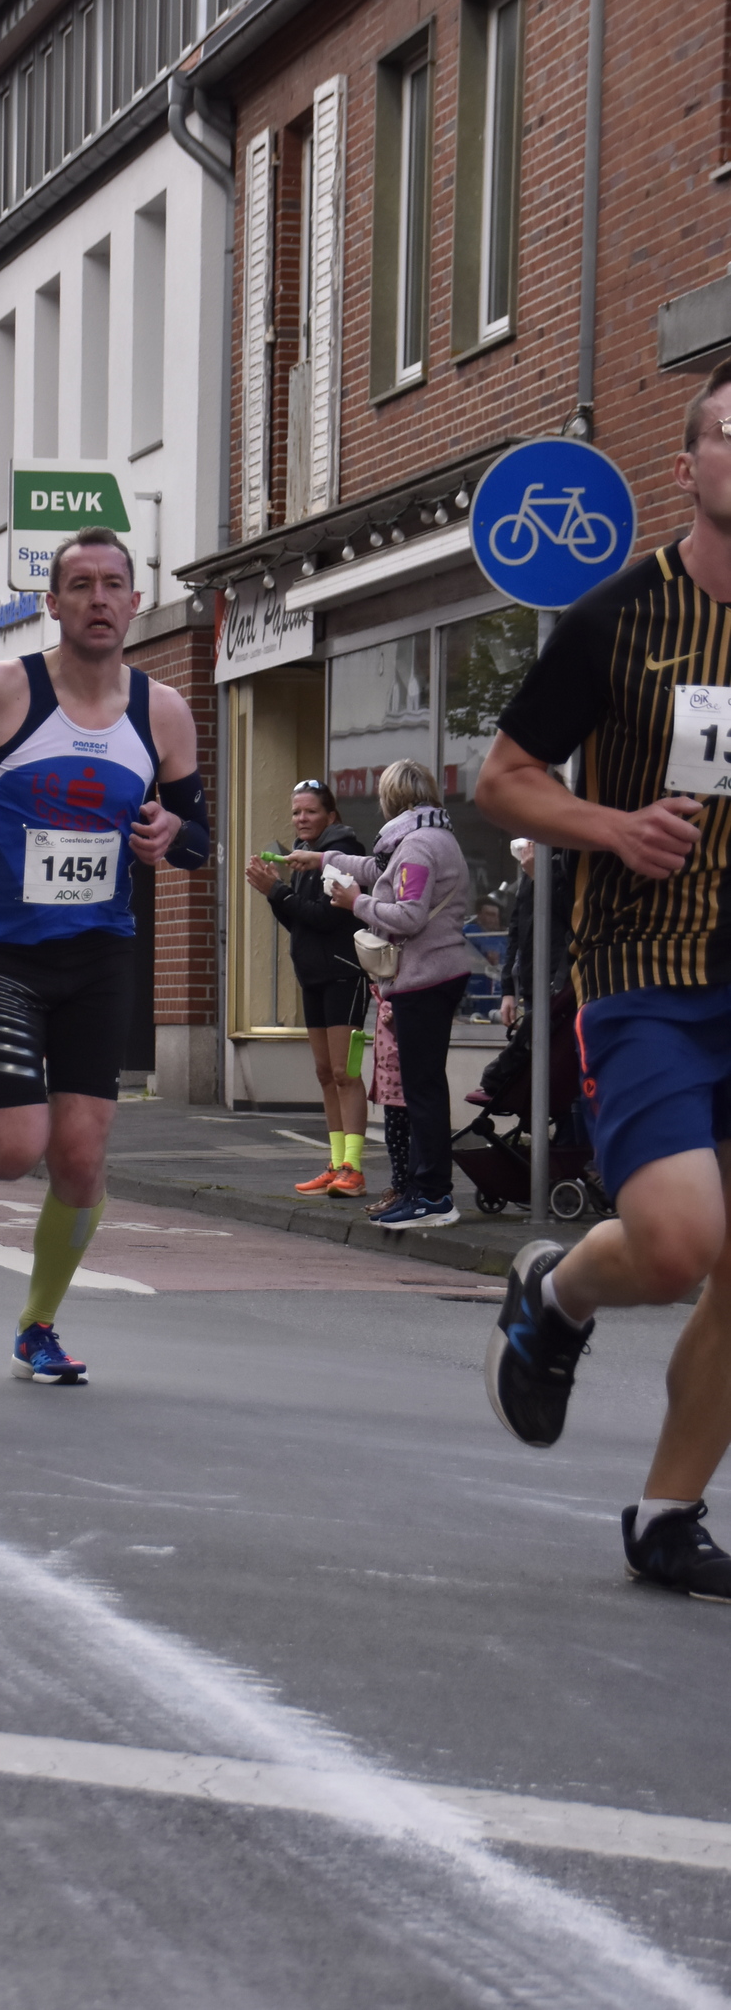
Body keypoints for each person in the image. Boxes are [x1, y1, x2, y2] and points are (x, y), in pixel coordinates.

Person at [474, 355, 731, 1602]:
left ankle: (671, 1514)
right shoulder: (618, 620)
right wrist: (615, 824)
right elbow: (504, 779)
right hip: (647, 971)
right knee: (681, 1244)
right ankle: (557, 1290)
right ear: (687, 468)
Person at [0, 526, 208, 1386]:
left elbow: (197, 841)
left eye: (115, 583)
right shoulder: (5, 690)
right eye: (81, 584)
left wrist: (173, 831)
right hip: (5, 950)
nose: (100, 598)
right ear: (55, 602)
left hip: (100, 955)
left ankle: (38, 1322)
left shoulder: (163, 712)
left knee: (78, 1155)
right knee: (11, 1151)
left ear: (136, 601)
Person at [288, 758, 470, 1229]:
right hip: (431, 975)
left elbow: (407, 915)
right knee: (421, 1087)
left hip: (425, 978)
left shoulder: (418, 847)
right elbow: (376, 867)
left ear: (393, 798)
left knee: (421, 1090)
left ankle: (432, 1196)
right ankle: (420, 1189)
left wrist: (356, 903)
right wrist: (322, 858)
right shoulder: (424, 838)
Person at [246, 781, 370, 1197]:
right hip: (313, 977)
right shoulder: (303, 857)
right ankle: (335, 1164)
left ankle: (353, 1167)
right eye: (297, 812)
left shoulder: (341, 854)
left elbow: (326, 918)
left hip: (343, 974)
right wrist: (275, 894)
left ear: (330, 816)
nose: (301, 819)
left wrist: (275, 890)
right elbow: (300, 923)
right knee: (324, 1073)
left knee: (344, 1073)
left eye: (310, 812)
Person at [498, 841, 571, 1029]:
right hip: (531, 985)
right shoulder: (532, 867)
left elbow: (573, 916)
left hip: (563, 984)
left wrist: (541, 877)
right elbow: (516, 930)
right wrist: (508, 990)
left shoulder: (571, 859)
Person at [367, 990, 410, 1220]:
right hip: (390, 1078)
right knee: (396, 1137)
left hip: (399, 1079)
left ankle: (405, 1189)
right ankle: (401, 1187)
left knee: (400, 1136)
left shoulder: (394, 997)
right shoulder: (383, 995)